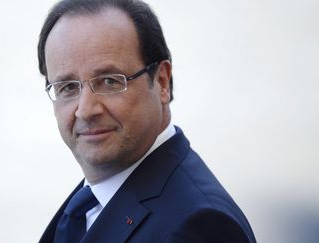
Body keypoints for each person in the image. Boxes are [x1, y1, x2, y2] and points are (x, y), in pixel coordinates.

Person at [37, 0, 256, 242]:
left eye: (110, 81)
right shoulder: (92, 200)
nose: (86, 110)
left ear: (161, 81)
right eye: (67, 87)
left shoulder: (201, 227)